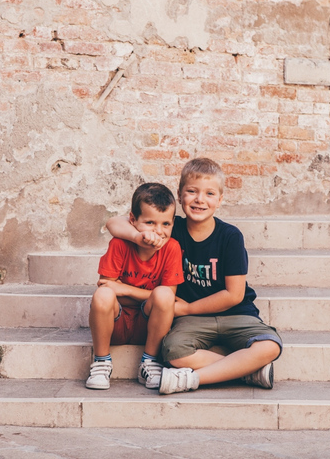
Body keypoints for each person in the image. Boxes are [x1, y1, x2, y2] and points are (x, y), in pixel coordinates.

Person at [106, 158, 282, 395]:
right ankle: (247, 368)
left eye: (210, 193)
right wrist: (139, 237)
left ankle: (192, 379)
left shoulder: (230, 236)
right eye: (192, 191)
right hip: (193, 324)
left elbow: (234, 294)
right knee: (174, 353)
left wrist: (188, 309)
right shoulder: (171, 229)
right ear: (179, 196)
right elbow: (113, 222)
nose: (200, 199)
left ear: (220, 200)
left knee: (270, 347)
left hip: (235, 314)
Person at [86, 182, 182, 390]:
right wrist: (147, 295)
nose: (158, 232)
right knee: (102, 295)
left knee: (164, 295)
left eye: (166, 224)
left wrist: (126, 289)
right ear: (132, 220)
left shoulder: (172, 248)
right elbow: (107, 289)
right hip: (116, 322)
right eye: (150, 223)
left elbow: (168, 299)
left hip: (149, 326)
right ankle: (101, 362)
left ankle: (149, 361)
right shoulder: (120, 244)